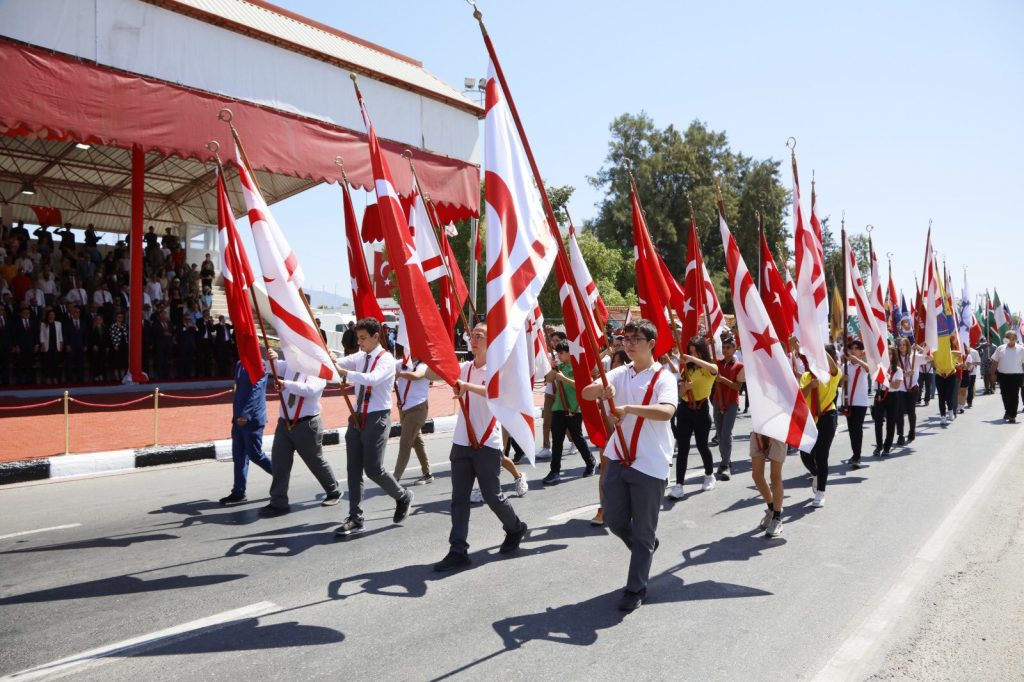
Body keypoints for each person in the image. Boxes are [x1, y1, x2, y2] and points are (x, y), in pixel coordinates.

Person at [582, 319, 676, 611]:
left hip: (650, 463)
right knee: (613, 518)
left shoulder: (664, 377)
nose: (629, 343)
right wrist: (600, 391)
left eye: (636, 339)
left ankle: (636, 588)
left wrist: (628, 409)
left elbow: (666, 412)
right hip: (619, 456)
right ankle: (644, 547)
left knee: (644, 529)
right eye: (626, 338)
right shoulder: (620, 373)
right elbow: (587, 392)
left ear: (651, 344)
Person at [432, 322, 529, 572]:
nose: (474, 339)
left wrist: (466, 387)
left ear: (491, 342)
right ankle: (457, 550)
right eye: (472, 335)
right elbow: (437, 373)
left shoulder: (497, 370)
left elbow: (494, 393)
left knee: (492, 496)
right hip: (462, 441)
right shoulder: (464, 368)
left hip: (487, 443)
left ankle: (516, 528)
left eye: (480, 336)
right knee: (459, 500)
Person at [332, 317, 414, 537]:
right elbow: (340, 363)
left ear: (376, 337)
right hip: (357, 417)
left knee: (373, 469)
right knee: (353, 469)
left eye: (363, 338)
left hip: (376, 417)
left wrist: (346, 374)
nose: (359, 342)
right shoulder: (361, 356)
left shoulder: (386, 359)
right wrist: (330, 359)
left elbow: (372, 379)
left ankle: (402, 496)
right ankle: (355, 517)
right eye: (358, 338)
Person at [262, 348, 342, 515]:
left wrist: (286, 384)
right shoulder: (291, 365)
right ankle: (278, 501)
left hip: (306, 425)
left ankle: (333, 490)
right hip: (284, 424)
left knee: (315, 461)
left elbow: (309, 390)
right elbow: (270, 368)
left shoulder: (319, 371)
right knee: (279, 462)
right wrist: (272, 360)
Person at [668, 336, 719, 500]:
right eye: (690, 352)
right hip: (685, 409)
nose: (692, 355)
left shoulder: (708, 368)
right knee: (683, 447)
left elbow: (714, 369)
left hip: (701, 409)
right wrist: (684, 388)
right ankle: (679, 485)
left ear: (702, 351)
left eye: (696, 351)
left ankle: (709, 475)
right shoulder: (687, 369)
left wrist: (693, 359)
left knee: (702, 445)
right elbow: (679, 393)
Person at [542, 340, 596, 485]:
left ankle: (590, 463)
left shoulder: (578, 367)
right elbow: (547, 380)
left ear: (568, 352)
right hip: (559, 407)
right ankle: (555, 471)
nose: (558, 355)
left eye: (561, 352)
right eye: (557, 352)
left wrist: (563, 378)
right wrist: (553, 369)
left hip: (574, 407)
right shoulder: (560, 366)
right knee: (557, 441)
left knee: (577, 438)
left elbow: (583, 386)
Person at [220, 359, 274, 505]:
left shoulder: (259, 364)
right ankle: (238, 492)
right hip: (238, 418)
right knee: (238, 456)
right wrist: (237, 414)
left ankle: (280, 474)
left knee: (255, 454)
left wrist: (246, 414)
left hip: (252, 419)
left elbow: (256, 390)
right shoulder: (239, 363)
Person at [799, 346, 842, 507]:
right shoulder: (807, 376)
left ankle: (821, 492)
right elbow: (800, 395)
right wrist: (810, 385)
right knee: (805, 453)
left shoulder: (832, 375)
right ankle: (817, 474)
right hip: (810, 419)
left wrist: (818, 349)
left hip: (827, 416)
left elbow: (833, 367)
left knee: (822, 455)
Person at [393, 356, 433, 484]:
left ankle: (394, 479)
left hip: (418, 409)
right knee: (417, 440)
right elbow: (387, 367)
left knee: (405, 443)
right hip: (404, 408)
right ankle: (427, 473)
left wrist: (399, 374)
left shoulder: (423, 365)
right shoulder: (401, 363)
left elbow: (417, 375)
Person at [712, 333, 745, 480]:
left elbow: (737, 387)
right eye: (723, 347)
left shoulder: (739, 366)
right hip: (718, 401)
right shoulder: (717, 363)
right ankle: (725, 459)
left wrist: (722, 380)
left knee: (726, 434)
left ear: (734, 349)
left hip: (731, 403)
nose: (725, 350)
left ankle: (725, 464)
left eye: (728, 347)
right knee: (719, 435)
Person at [750, 433, 787, 538]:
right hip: (758, 433)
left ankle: (777, 517)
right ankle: (772, 509)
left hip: (778, 434)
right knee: (756, 475)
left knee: (775, 476)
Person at [842, 339, 871, 469]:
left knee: (857, 428)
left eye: (856, 349)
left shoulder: (862, 365)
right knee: (851, 430)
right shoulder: (844, 366)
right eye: (851, 349)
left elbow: (869, 369)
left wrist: (857, 360)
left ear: (861, 352)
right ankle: (855, 454)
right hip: (848, 402)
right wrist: (843, 380)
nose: (853, 351)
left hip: (860, 402)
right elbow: (839, 384)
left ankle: (857, 456)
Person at [893, 337, 925, 445]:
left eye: (904, 345)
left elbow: (930, 357)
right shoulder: (895, 358)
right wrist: (905, 374)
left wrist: (919, 347)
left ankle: (912, 430)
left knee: (911, 411)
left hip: (912, 388)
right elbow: (892, 371)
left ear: (908, 346)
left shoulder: (914, 356)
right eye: (900, 345)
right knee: (900, 412)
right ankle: (900, 435)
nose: (902, 347)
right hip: (900, 388)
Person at [873, 349, 903, 456]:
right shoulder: (878, 368)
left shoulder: (898, 370)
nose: (887, 356)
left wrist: (886, 379)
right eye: (886, 353)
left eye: (890, 353)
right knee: (878, 422)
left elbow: (896, 385)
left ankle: (887, 447)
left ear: (893, 355)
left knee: (890, 423)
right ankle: (879, 446)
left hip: (892, 396)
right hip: (880, 394)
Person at [990, 330, 1024, 422]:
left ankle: (1012, 415)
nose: (1010, 340)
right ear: (1005, 339)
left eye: (1012, 338)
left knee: (1014, 395)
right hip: (1003, 376)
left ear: (1016, 339)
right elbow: (995, 362)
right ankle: (1008, 411)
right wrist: (992, 374)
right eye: (1008, 337)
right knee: (1005, 395)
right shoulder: (1000, 348)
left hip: (1017, 376)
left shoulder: (1021, 349)